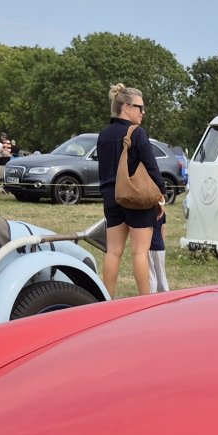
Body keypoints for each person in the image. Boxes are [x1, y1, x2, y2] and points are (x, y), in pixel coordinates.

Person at [96, 82, 165, 297]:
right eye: (140, 107)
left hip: (111, 197)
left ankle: (107, 300)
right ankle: (144, 301)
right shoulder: (137, 133)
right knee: (140, 252)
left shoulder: (103, 134)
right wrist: (161, 195)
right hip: (136, 199)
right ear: (126, 107)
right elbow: (152, 167)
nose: (143, 112)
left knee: (113, 252)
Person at [148, 207, 170, 293]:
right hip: (159, 246)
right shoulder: (161, 209)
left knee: (151, 274)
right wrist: (162, 241)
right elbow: (163, 228)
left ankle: (152, 294)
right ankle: (165, 292)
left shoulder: (147, 209)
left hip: (148, 246)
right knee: (161, 273)